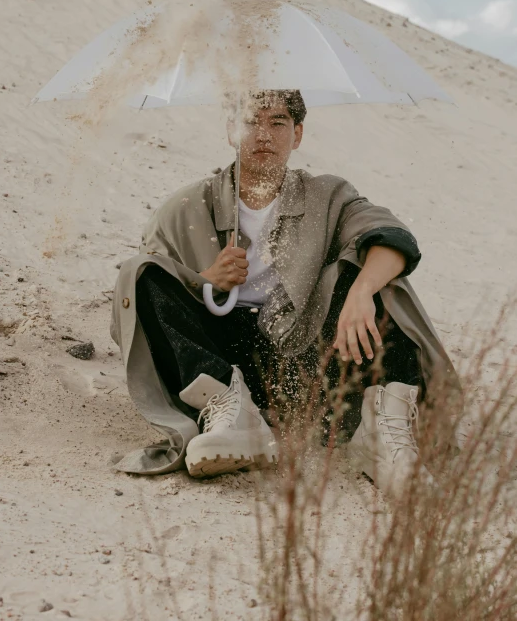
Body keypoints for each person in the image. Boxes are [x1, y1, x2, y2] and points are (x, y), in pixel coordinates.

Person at [111, 90, 461, 494]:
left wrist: (362, 291)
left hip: (313, 364)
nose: (263, 135)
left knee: (373, 271)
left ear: (297, 134)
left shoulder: (328, 196)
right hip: (228, 365)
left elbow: (392, 236)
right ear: (229, 131)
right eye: (249, 122)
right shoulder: (185, 207)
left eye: (277, 123)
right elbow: (143, 305)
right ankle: (232, 415)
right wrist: (206, 280)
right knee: (138, 272)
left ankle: (381, 432)